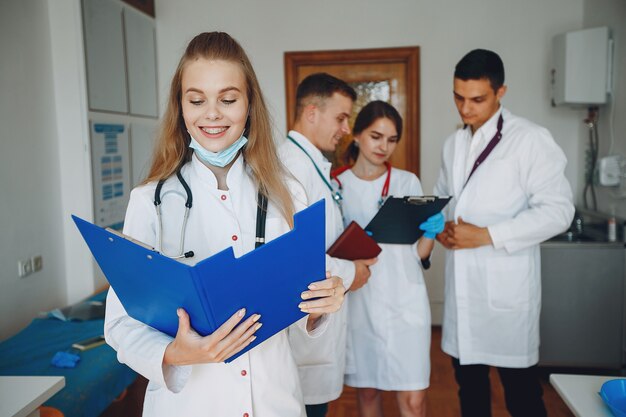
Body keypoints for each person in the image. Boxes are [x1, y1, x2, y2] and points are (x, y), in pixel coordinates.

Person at [103, 32, 346, 417]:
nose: (212, 114)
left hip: (274, 399)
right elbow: (119, 324)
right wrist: (173, 352)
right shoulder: (149, 200)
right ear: (180, 108)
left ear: (249, 105)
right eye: (196, 100)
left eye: (228, 99)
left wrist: (321, 305)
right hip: (188, 405)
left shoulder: (288, 193)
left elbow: (304, 313)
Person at [434, 49, 574, 417]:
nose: (465, 109)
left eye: (477, 99)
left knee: (523, 396)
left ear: (501, 92)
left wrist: (487, 235)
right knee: (471, 392)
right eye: (458, 97)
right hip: (463, 291)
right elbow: (445, 200)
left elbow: (559, 211)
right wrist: (444, 230)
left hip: (506, 295)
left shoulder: (530, 139)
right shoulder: (453, 144)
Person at [332, 100, 443, 417]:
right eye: (376, 136)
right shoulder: (337, 184)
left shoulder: (406, 183)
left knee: (414, 400)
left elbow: (419, 253)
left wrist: (431, 233)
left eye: (392, 139)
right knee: (367, 393)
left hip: (406, 301)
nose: (384, 146)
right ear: (356, 135)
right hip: (360, 304)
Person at [279, 73, 378, 417]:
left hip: (319, 322)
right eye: (340, 117)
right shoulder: (290, 168)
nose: (346, 128)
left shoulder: (311, 164)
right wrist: (353, 272)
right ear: (311, 112)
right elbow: (291, 258)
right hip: (302, 331)